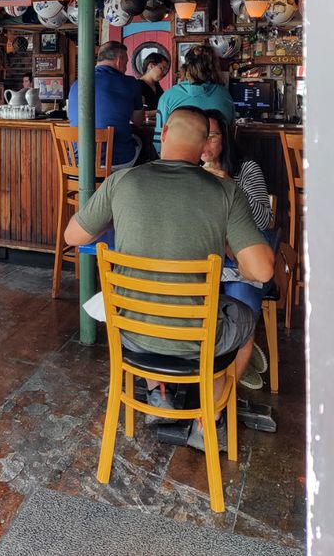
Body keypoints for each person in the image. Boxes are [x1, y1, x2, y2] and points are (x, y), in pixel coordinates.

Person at [65, 107, 274, 452]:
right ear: (205, 143)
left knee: (142, 302)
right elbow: (263, 270)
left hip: (130, 333)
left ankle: (158, 392)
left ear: (163, 135)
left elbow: (74, 236)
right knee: (246, 321)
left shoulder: (121, 181)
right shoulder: (224, 192)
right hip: (197, 343)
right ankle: (209, 422)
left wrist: (116, 219)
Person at [202, 109, 274, 390]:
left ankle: (222, 392)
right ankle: (237, 351)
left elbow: (263, 218)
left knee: (240, 300)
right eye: (201, 137)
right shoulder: (189, 172)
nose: (206, 145)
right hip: (208, 259)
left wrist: (230, 186)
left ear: (226, 138)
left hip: (244, 261)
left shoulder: (246, 169)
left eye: (213, 136)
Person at [67, 41, 144, 168]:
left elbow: (71, 115)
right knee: (139, 141)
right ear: (119, 61)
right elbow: (138, 121)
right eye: (126, 63)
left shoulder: (77, 83)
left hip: (77, 163)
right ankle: (123, 186)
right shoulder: (130, 83)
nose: (125, 68)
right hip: (113, 162)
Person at [153, 43, 234, 150]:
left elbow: (159, 143)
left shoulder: (167, 96)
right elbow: (230, 136)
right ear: (214, 68)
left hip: (179, 162)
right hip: (215, 162)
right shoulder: (225, 95)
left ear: (185, 68)